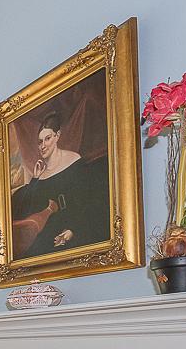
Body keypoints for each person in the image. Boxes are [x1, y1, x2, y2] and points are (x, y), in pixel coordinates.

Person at [10, 110, 111, 257]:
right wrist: (35, 180)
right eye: (40, 141)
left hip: (79, 222)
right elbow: (27, 209)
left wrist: (72, 229)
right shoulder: (41, 174)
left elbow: (90, 200)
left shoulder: (74, 160)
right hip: (52, 227)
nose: (43, 145)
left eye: (48, 138)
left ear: (57, 136)